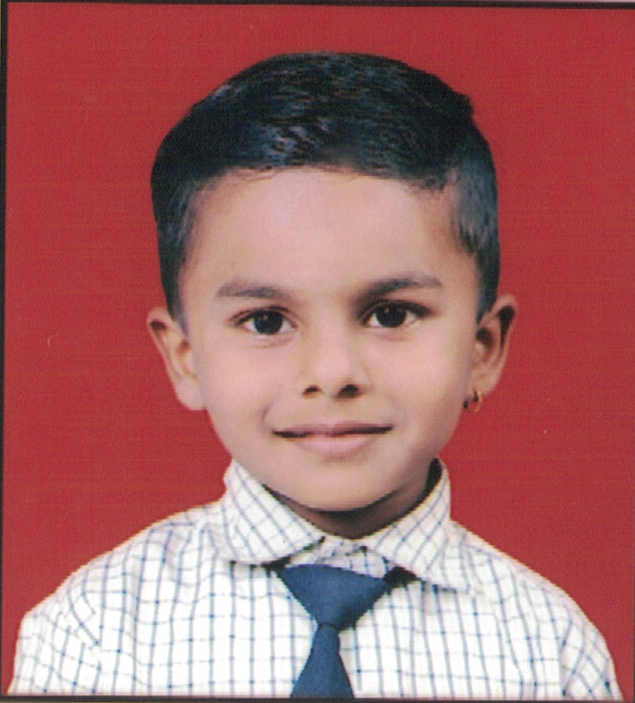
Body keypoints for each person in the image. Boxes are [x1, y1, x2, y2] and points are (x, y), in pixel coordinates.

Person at [9, 52, 621, 699]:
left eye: (390, 314)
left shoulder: (548, 649)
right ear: (184, 356)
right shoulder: (97, 630)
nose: (331, 373)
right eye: (266, 321)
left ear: (482, 348)